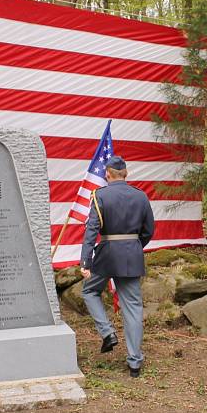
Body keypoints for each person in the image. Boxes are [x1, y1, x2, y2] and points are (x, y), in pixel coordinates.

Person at [80, 156, 155, 378]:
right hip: (131, 256)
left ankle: (107, 332)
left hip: (107, 256)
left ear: (107, 175)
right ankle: (134, 363)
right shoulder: (141, 196)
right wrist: (133, 247)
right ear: (126, 173)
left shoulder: (99, 195)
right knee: (132, 307)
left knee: (90, 291)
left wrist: (86, 261)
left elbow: (91, 231)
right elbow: (149, 230)